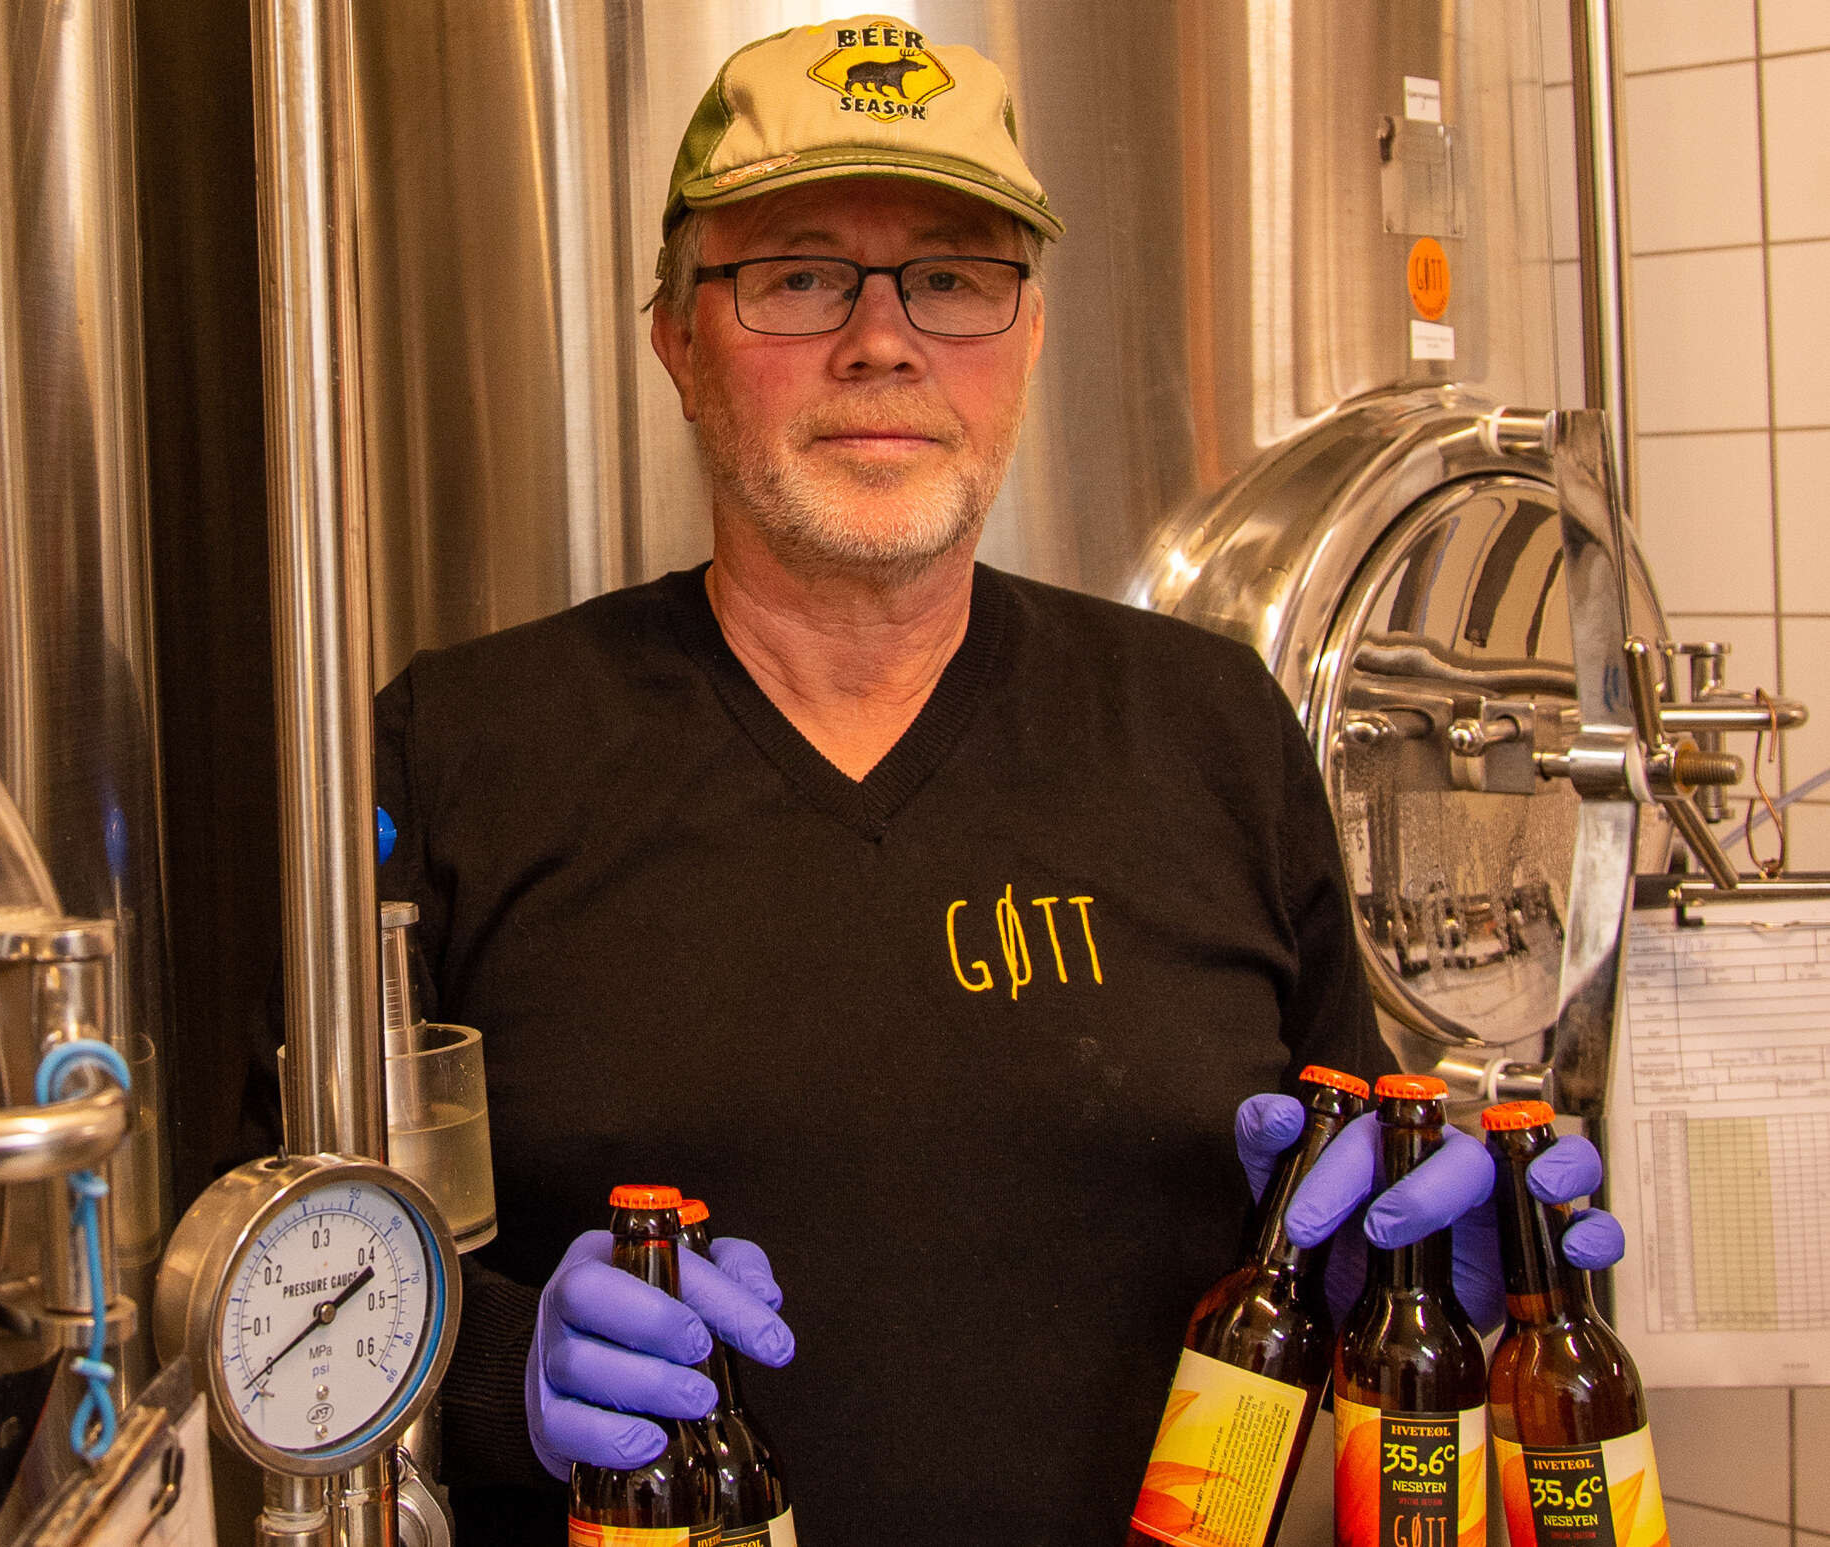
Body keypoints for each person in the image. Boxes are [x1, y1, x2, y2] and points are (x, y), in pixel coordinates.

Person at [371, 15, 1624, 1542]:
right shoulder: (464, 747)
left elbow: (1351, 1202)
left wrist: (1429, 1283)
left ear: (1027, 343)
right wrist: (492, 1370)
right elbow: (287, 1242)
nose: (882, 341)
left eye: (955, 279)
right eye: (798, 277)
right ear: (677, 342)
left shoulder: (1209, 727)